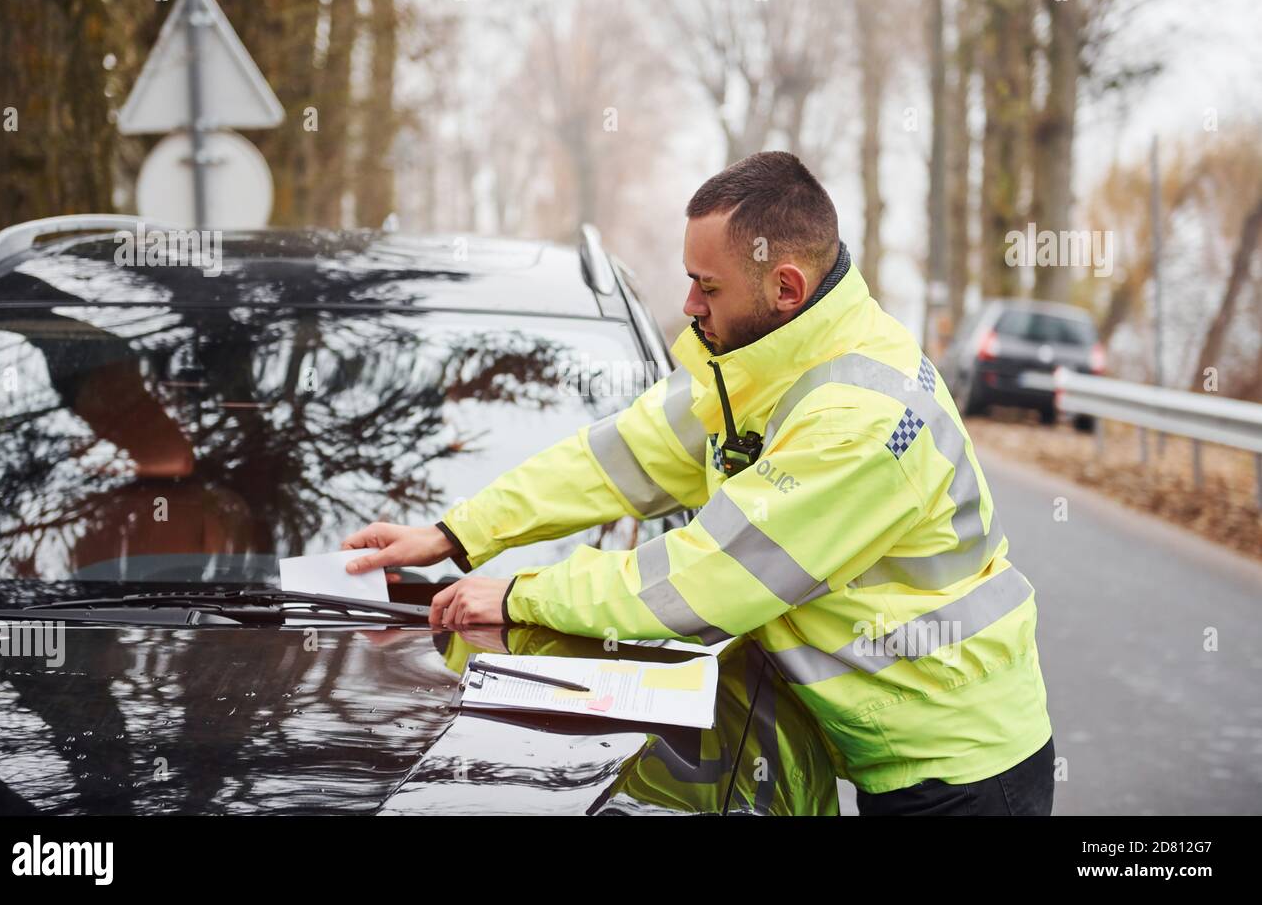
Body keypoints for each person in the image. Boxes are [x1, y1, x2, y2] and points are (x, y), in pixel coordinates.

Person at [342, 151, 1054, 815]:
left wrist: (521, 593)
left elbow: (703, 579)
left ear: (785, 287)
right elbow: (613, 458)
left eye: (706, 285)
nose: (687, 303)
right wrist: (452, 533)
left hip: (959, 765)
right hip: (889, 746)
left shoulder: (860, 420)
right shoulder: (763, 367)